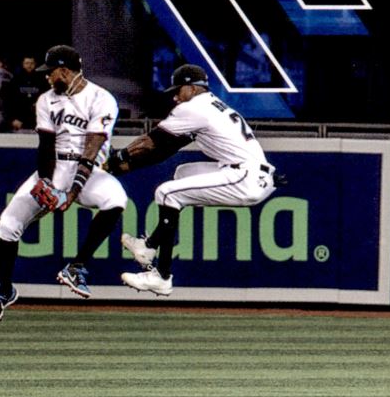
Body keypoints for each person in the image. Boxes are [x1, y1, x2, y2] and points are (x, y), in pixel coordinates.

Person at [0, 44, 128, 326]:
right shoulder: (46, 100)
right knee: (7, 225)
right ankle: (4, 290)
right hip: (56, 165)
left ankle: (77, 266)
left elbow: (92, 149)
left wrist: (72, 193)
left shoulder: (101, 98)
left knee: (116, 199)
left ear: (65, 70)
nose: (47, 77)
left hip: (88, 171)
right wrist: (47, 182)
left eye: (51, 72)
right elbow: (46, 146)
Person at [107, 63, 284, 296]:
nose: (175, 97)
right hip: (250, 172)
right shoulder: (210, 105)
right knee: (182, 174)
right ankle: (148, 247)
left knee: (166, 192)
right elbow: (164, 150)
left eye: (177, 90)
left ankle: (161, 276)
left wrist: (119, 157)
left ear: (191, 88)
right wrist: (126, 166)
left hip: (245, 177)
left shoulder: (193, 108)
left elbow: (150, 141)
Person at [7, 55, 49, 131]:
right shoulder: (15, 80)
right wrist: (12, 119)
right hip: (19, 121)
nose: (29, 66)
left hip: (37, 120)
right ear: (23, 64)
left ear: (35, 64)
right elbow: (9, 101)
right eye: (27, 63)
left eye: (31, 63)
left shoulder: (42, 80)